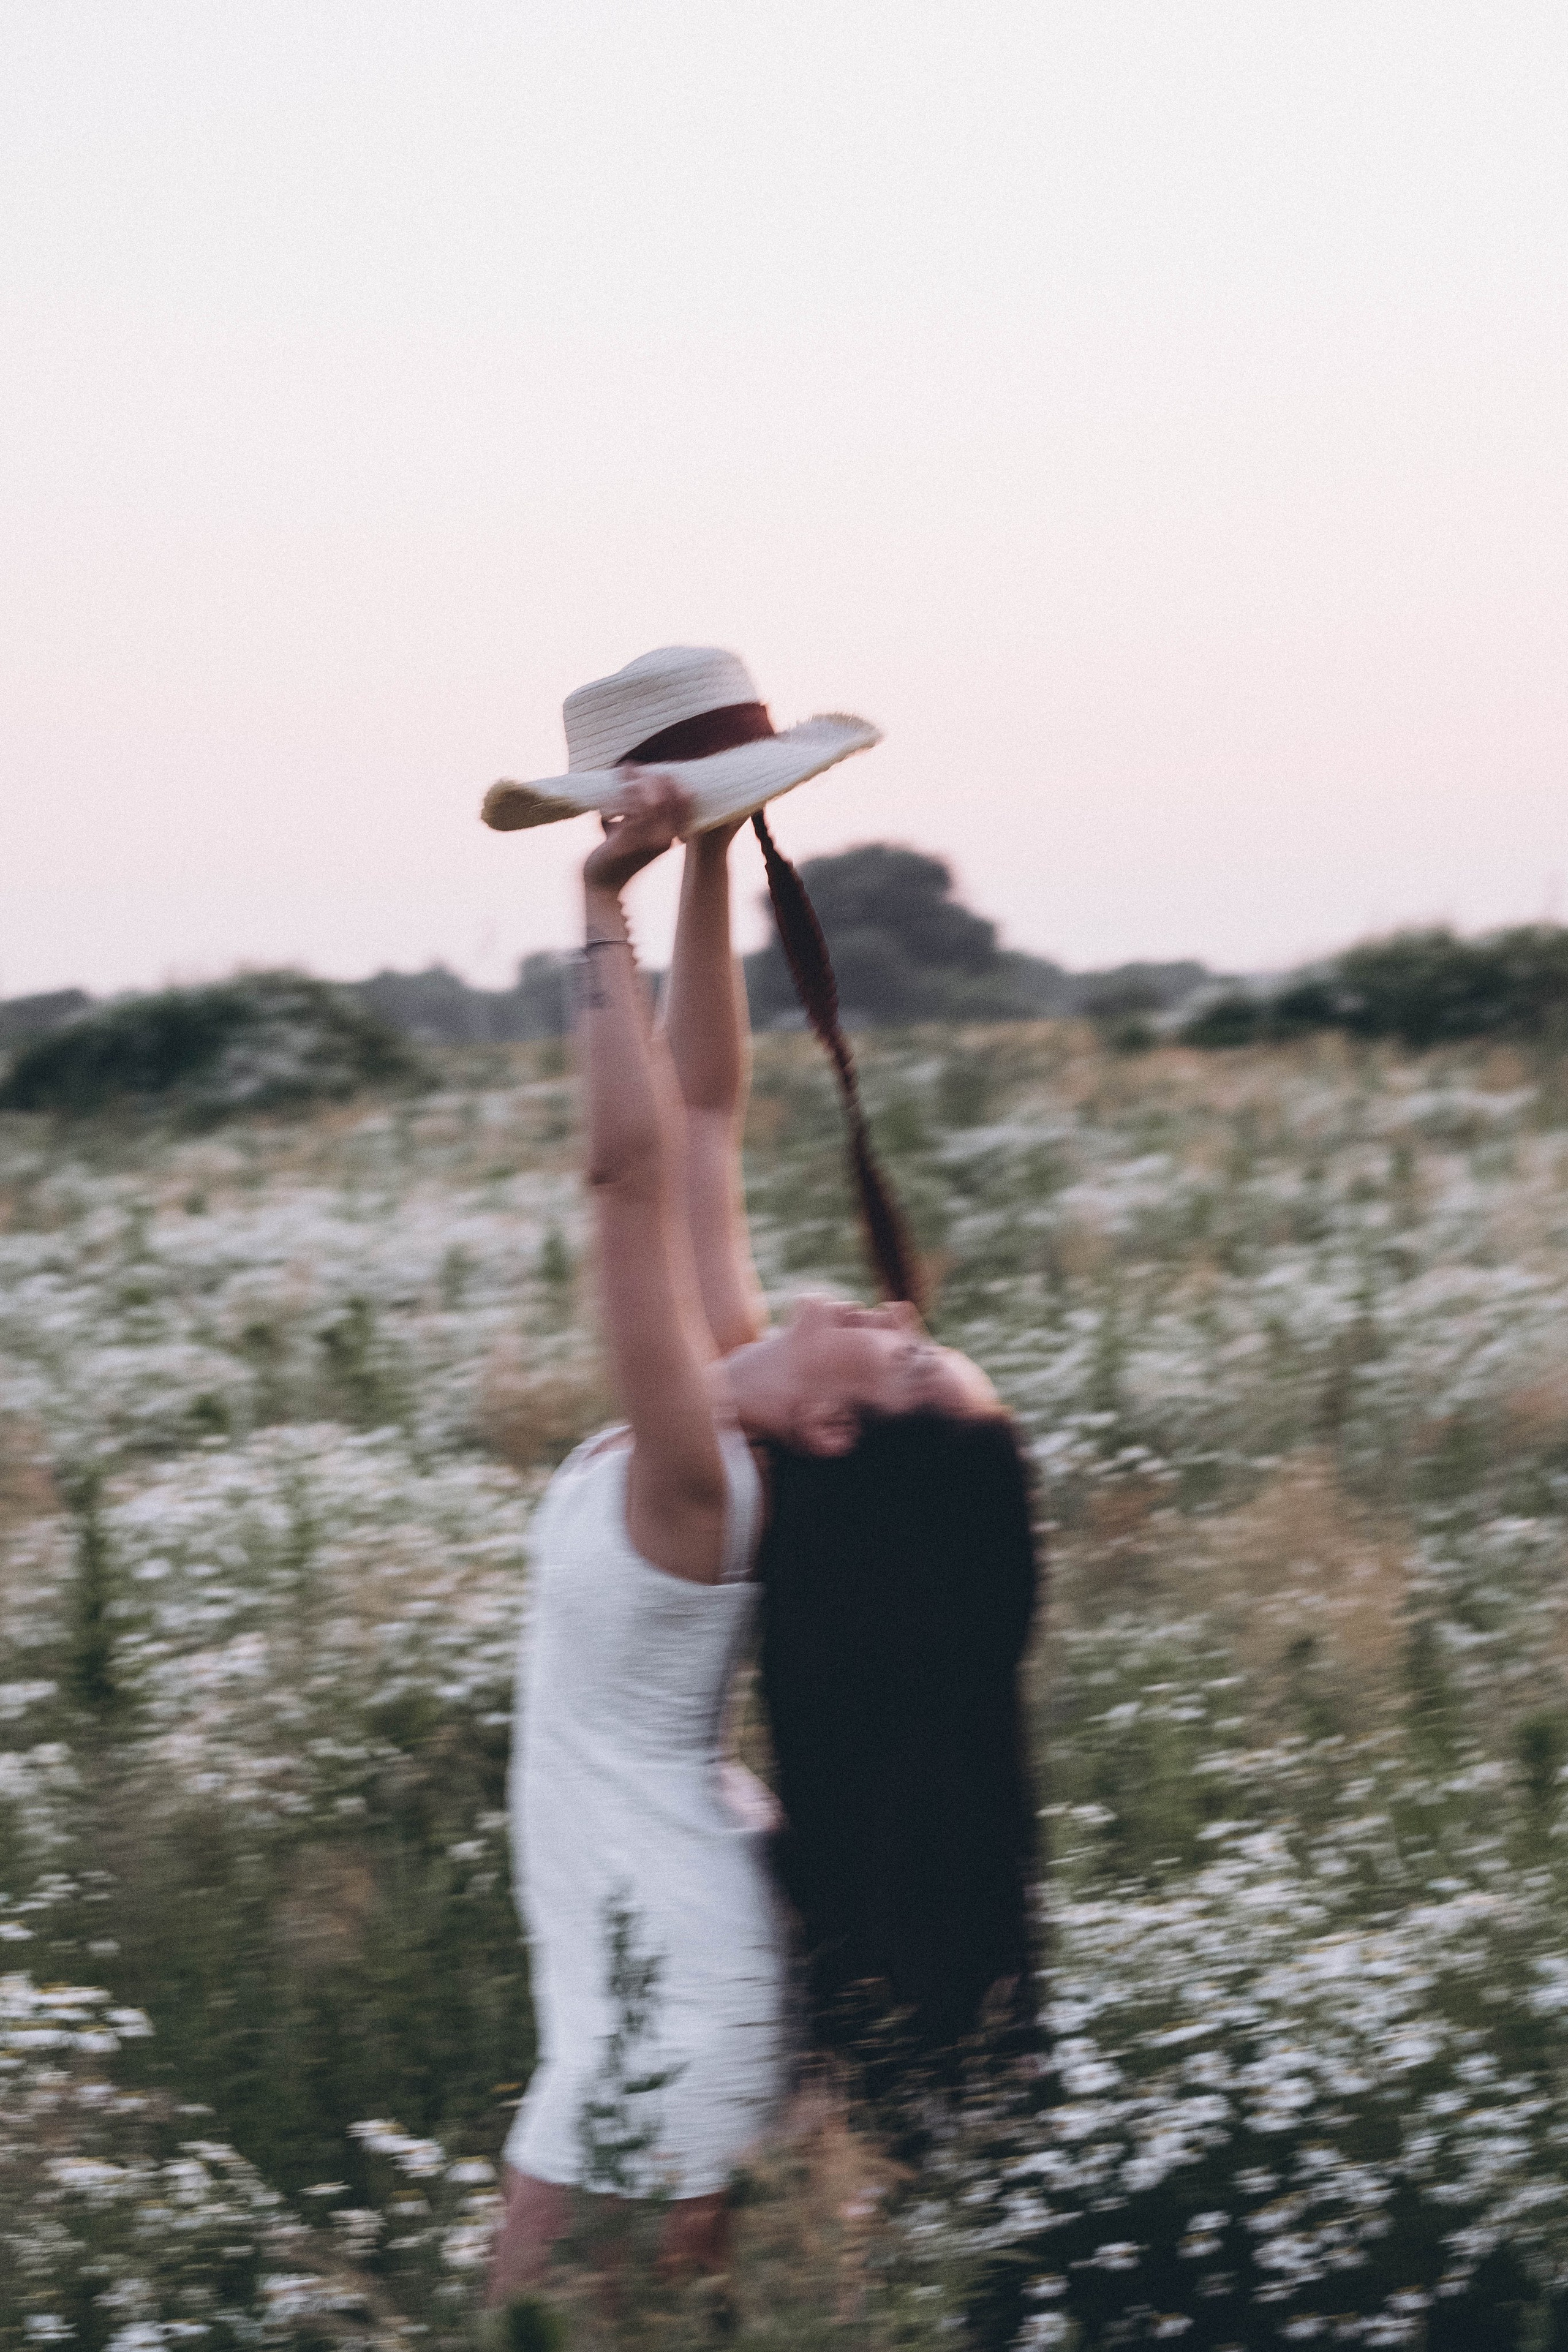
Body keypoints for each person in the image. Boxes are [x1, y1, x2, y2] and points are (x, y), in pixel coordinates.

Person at [487, 651, 1039, 2304]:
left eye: (907, 1357)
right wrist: (720, 852)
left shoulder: (701, 1487)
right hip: (665, 1938)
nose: (895, 1312)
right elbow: (708, 1117)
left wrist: (602, 905)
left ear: (835, 1433)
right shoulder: (737, 1408)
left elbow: (625, 1173)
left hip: (667, 1973)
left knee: (533, 2326)